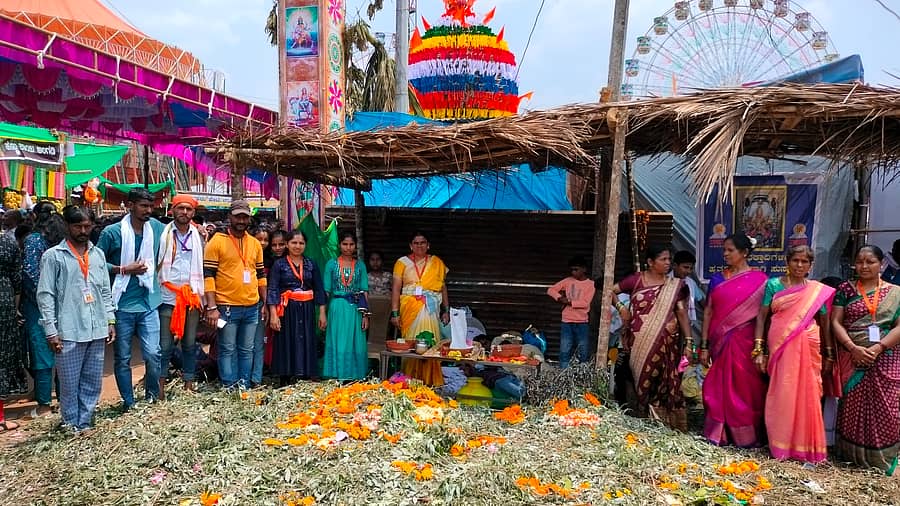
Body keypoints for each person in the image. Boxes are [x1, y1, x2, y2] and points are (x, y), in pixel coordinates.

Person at [37, 206, 116, 432]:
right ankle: (71, 423)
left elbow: (104, 291)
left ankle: (85, 421)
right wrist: (51, 331)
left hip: (96, 327)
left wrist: (110, 320)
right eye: (77, 226)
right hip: (68, 330)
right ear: (67, 226)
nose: (83, 231)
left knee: (92, 380)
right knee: (70, 383)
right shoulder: (54, 256)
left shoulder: (98, 254)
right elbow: (45, 295)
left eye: (87, 226)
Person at [753, 245, 835, 463]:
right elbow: (762, 318)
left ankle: (805, 446)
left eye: (805, 262)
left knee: (808, 394)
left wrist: (829, 354)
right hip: (781, 345)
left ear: (810, 265)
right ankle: (781, 445)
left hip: (809, 345)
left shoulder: (817, 290)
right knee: (781, 392)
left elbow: (825, 322)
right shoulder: (773, 285)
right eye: (795, 260)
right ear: (787, 262)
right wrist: (759, 349)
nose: (800, 265)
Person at [832, 245, 900, 474]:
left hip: (886, 357)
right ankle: (852, 455)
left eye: (870, 261)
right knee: (852, 405)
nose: (863, 266)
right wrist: (853, 348)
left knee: (889, 407)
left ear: (881, 264)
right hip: (853, 356)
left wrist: (878, 348)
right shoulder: (846, 289)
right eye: (859, 261)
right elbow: (835, 322)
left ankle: (883, 458)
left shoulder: (896, 292)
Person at [97, 188, 165, 409]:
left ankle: (152, 397)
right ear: (130, 205)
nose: (148, 210)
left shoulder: (156, 228)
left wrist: (199, 230)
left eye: (151, 206)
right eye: (143, 206)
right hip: (121, 305)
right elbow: (96, 263)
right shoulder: (112, 233)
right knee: (123, 358)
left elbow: (177, 231)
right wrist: (123, 269)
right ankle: (129, 402)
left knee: (154, 354)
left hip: (148, 302)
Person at [612, 245, 692, 430]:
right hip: (639, 343)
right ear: (650, 262)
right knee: (642, 380)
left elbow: (681, 313)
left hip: (667, 343)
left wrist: (689, 341)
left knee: (665, 382)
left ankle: (664, 424)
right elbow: (611, 291)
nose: (668, 263)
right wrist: (621, 308)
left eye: (668, 260)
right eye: (663, 259)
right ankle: (643, 420)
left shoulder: (674, 285)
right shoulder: (636, 280)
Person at [700, 233, 769, 447]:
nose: (725, 254)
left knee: (747, 389)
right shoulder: (717, 279)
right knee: (716, 387)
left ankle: (745, 437)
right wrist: (703, 345)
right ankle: (718, 434)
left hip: (747, 344)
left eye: (730, 250)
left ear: (745, 253)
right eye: (724, 250)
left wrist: (762, 348)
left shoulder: (761, 281)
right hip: (720, 343)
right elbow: (709, 313)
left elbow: (764, 317)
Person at [203, 200, 266, 390]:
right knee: (227, 348)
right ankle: (229, 385)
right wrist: (212, 307)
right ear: (229, 217)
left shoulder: (255, 243)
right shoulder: (217, 241)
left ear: (249, 218)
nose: (241, 220)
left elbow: (261, 276)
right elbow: (208, 276)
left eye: (244, 216)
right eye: (237, 216)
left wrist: (265, 302)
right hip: (226, 307)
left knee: (247, 349)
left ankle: (243, 385)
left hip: (252, 306)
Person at [156, 195, 205, 396]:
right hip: (168, 296)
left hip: (191, 297)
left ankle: (188, 383)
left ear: (193, 213)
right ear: (173, 210)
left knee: (190, 343)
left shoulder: (199, 236)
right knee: (165, 345)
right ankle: (159, 385)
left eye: (188, 209)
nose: (184, 212)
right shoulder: (163, 233)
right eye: (181, 208)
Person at [22, 202, 66, 416]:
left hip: (38, 306)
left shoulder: (33, 241)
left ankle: (44, 404)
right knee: (61, 351)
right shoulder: (62, 240)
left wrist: (41, 301)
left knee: (41, 354)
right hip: (62, 304)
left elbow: (30, 275)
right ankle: (63, 398)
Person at [390, 231, 450, 386]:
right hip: (409, 308)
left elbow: (443, 288)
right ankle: (409, 380)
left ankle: (430, 382)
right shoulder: (401, 262)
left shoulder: (437, 262)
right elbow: (396, 288)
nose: (419, 246)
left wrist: (446, 310)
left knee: (431, 343)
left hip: (431, 308)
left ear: (428, 245)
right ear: (410, 245)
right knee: (410, 345)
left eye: (422, 242)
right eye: (416, 243)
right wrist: (395, 313)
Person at [267, 231, 326, 385]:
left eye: (301, 243)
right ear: (287, 244)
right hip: (287, 309)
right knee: (286, 340)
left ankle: (304, 377)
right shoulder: (279, 264)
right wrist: (273, 314)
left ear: (305, 245)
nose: (297, 246)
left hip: (307, 309)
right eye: (294, 243)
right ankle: (285, 378)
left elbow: (319, 289)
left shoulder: (311, 264)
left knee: (306, 339)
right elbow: (272, 289)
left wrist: (322, 313)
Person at [323, 232, 370, 381]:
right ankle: (337, 374)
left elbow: (364, 291)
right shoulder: (331, 264)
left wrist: (365, 316)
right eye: (345, 244)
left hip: (356, 308)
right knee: (338, 339)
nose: (348, 248)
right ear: (339, 245)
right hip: (337, 307)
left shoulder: (360, 265)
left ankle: (354, 375)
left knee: (355, 341)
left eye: (351, 244)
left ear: (355, 246)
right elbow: (325, 291)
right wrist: (323, 313)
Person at [547, 256, 596, 369]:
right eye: (572, 270)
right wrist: (559, 298)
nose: (573, 272)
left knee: (583, 351)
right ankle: (563, 375)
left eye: (576, 269)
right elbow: (550, 290)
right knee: (565, 350)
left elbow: (585, 303)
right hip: (567, 321)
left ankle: (581, 376)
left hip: (582, 322)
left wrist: (568, 301)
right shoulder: (567, 281)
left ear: (584, 269)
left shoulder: (591, 284)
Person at [0, 231, 26, 433]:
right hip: (4, 302)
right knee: (2, 359)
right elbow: (17, 279)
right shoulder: (7, 242)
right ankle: (0, 418)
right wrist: (15, 308)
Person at [250, 226, 271, 388]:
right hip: (244, 302)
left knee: (259, 343)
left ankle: (256, 378)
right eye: (259, 239)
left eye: (266, 240)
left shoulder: (272, 260)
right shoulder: (247, 256)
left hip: (263, 305)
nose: (262, 243)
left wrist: (267, 305)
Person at [671, 250, 705, 332]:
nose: (689, 271)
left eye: (691, 268)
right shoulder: (665, 281)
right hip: (669, 324)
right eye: (685, 267)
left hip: (686, 324)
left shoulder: (691, 283)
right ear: (675, 265)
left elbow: (702, 301)